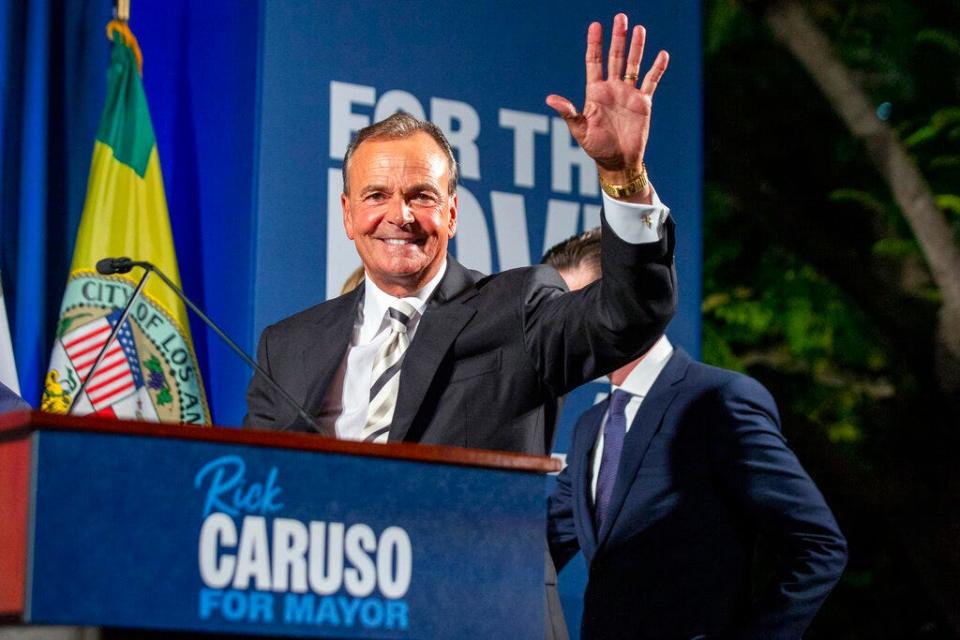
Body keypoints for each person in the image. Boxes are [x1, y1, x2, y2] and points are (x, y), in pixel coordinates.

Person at [246, 14, 675, 639]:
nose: (399, 216)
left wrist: (623, 178)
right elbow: (258, 495)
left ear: (452, 211)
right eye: (376, 196)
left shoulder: (519, 306)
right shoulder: (286, 345)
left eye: (421, 195)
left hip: (478, 615)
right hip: (329, 617)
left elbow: (627, 315)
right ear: (346, 213)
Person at [544, 229, 848, 639]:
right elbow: (539, 549)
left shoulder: (718, 400)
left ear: (626, 301)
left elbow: (818, 545)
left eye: (572, 307)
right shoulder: (589, 427)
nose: (561, 328)